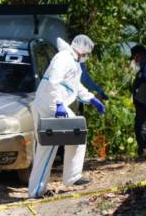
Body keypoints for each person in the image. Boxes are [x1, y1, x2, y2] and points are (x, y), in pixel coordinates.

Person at [28, 35, 106, 198]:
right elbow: (53, 82)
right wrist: (58, 104)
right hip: (50, 105)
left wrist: (91, 98)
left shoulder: (72, 62)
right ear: (82, 50)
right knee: (52, 146)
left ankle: (47, 186)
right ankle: (41, 189)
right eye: (88, 53)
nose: (88, 56)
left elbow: (75, 86)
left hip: (50, 104)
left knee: (69, 138)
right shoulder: (63, 58)